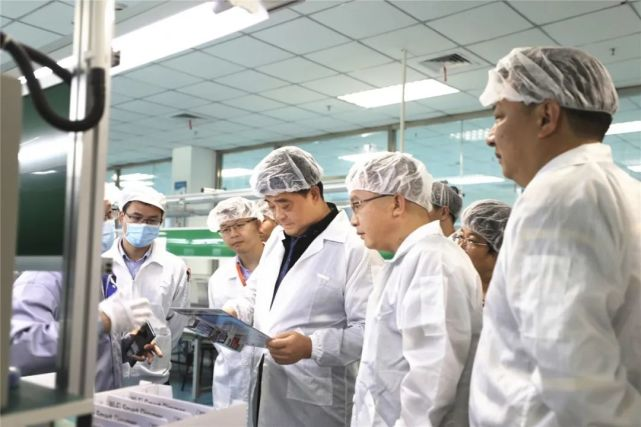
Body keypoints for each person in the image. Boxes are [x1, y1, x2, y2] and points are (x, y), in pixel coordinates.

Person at [469, 47, 641, 426]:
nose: (491, 137)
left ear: (546, 116)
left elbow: (571, 371)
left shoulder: (558, 196)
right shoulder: (623, 189)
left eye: (499, 116)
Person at [223, 146, 382, 427]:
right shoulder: (277, 239)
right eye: (271, 206)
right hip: (267, 383)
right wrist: (235, 312)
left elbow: (370, 330)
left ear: (314, 193)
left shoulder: (355, 248)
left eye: (285, 204)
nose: (278, 215)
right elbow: (256, 292)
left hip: (318, 400)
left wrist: (311, 346)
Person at [346, 152, 483, 426]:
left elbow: (432, 381)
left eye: (357, 204)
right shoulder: (411, 260)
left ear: (397, 203)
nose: (353, 219)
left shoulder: (433, 263)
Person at [9, 188, 157, 391]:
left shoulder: (91, 273)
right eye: (105, 215)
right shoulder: (44, 276)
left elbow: (88, 346)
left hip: (99, 401)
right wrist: (102, 320)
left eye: (111, 215)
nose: (109, 224)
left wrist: (126, 348)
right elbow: (18, 349)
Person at [103, 185, 189, 385]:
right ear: (121, 217)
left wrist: (161, 341)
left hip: (154, 373)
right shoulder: (101, 263)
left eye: (152, 221)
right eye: (136, 217)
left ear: (161, 222)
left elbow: (177, 322)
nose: (143, 225)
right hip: (108, 373)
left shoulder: (175, 266)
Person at [206, 197, 265, 409]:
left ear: (258, 224)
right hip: (231, 374)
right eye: (225, 229)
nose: (233, 234)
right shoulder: (219, 278)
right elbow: (218, 332)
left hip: (275, 372)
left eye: (239, 225)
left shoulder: (283, 266)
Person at [453, 199, 510, 299]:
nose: (460, 246)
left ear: (499, 249)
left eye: (471, 240)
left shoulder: (515, 297)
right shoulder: (454, 288)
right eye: (461, 236)